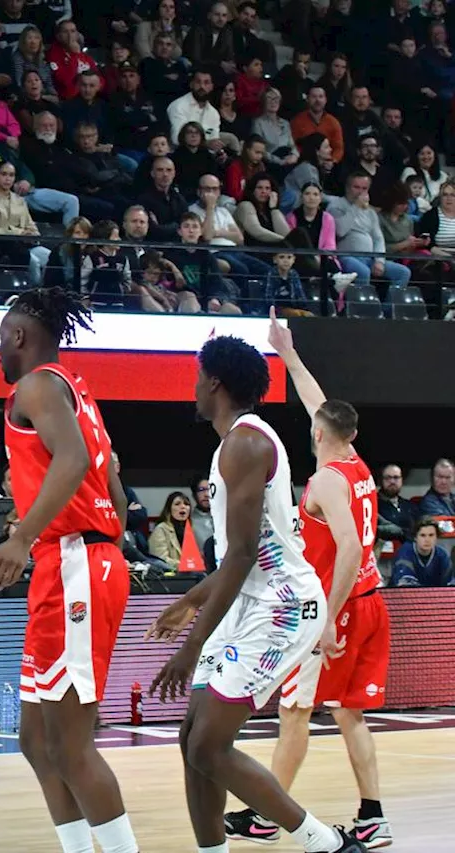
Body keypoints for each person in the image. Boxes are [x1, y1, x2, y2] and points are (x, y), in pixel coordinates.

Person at [146, 334, 364, 853]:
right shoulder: (231, 444)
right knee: (191, 741)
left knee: (208, 745)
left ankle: (327, 844)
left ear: (215, 382)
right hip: (250, 601)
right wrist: (189, 601)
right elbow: (239, 559)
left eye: (199, 376)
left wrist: (191, 646)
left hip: (283, 608)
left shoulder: (246, 444)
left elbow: (243, 557)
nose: (194, 386)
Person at [222, 314, 392, 850]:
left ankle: (268, 816)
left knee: (294, 711)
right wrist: (288, 354)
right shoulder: (358, 464)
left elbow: (346, 547)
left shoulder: (324, 480)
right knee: (349, 714)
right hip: (372, 601)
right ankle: (373, 815)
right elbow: (318, 401)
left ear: (317, 434)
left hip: (337, 607)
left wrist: (324, 618)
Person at [0, 288, 139, 853]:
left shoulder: (38, 384)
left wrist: (23, 537)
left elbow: (74, 463)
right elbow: (113, 489)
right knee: (35, 740)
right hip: (71, 560)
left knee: (71, 745)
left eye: (1, 339)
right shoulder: (77, 391)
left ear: (19, 336)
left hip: (74, 564)